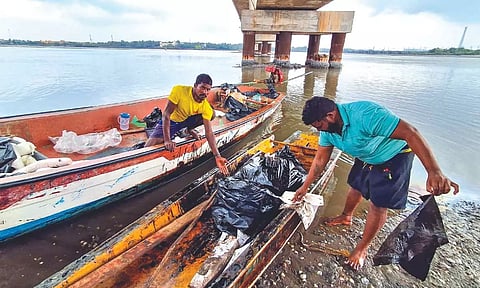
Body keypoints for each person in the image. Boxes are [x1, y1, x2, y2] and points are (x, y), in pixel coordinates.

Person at [292, 97, 459, 270]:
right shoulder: (328, 131)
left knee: (378, 205)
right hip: (366, 153)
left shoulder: (366, 114)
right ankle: (346, 216)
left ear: (331, 115)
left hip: (394, 155)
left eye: (319, 126)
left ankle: (361, 249)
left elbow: (411, 133)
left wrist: (434, 171)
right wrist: (304, 187)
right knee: (356, 186)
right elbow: (319, 161)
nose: (319, 131)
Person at [145, 73, 228, 175]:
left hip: (186, 120)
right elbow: (166, 114)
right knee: (148, 147)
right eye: (202, 88)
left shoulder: (205, 106)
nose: (205, 92)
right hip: (172, 121)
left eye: (208, 89)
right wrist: (167, 140)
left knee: (212, 114)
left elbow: (209, 132)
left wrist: (217, 156)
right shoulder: (179, 90)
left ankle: (189, 129)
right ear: (195, 85)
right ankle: (180, 131)